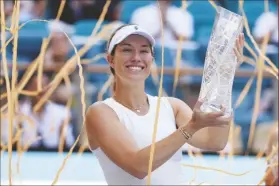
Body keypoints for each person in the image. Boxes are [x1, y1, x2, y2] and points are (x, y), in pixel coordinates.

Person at [85, 24, 244, 185]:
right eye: (127, 50)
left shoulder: (172, 106)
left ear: (151, 59)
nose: (136, 57)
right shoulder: (101, 112)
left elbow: (215, 142)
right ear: (110, 59)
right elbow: (137, 166)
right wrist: (189, 128)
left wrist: (225, 77)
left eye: (144, 51)